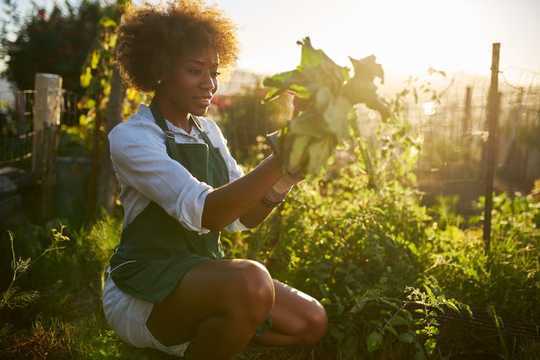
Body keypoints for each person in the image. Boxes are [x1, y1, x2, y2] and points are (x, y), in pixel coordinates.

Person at [101, 1, 328, 359]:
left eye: (214, 72)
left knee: (311, 320)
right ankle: (223, 327)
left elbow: (243, 217)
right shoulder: (132, 137)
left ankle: (223, 330)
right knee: (252, 281)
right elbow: (207, 212)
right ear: (160, 71)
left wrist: (288, 177)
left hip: (201, 276)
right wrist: (282, 153)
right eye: (195, 71)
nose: (210, 84)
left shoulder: (208, 132)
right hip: (145, 288)